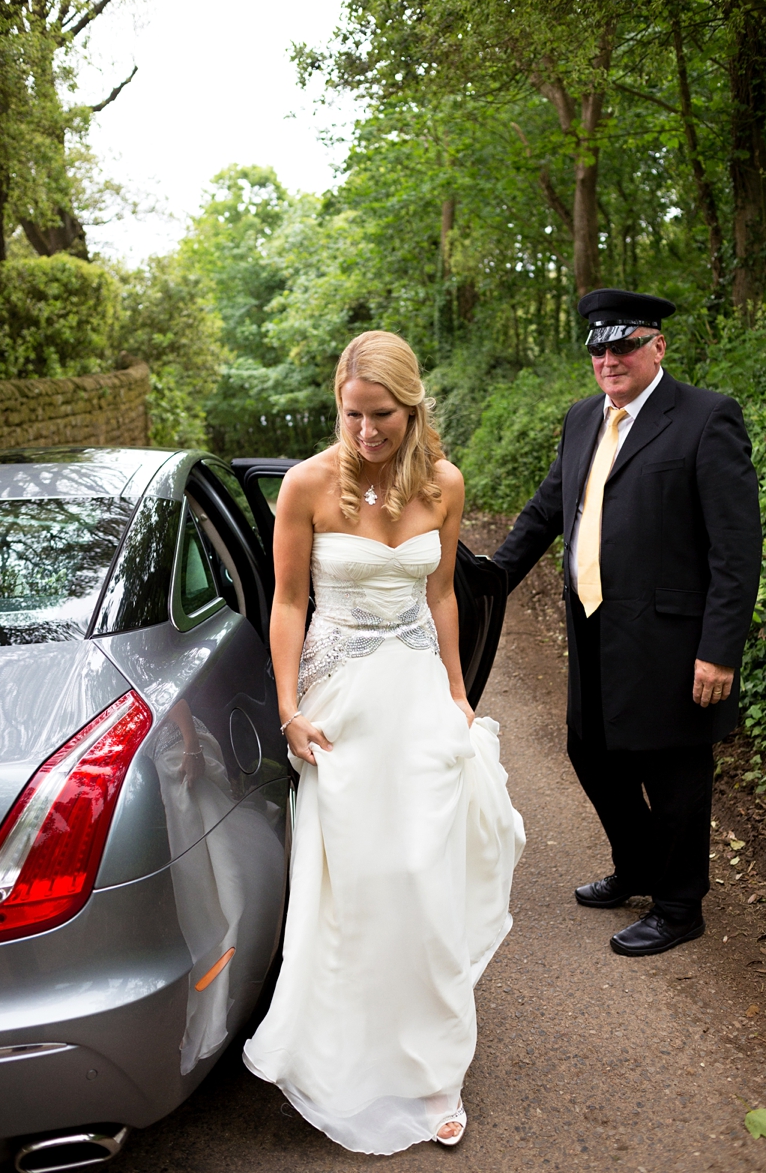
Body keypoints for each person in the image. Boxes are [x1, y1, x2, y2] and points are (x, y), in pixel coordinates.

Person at [243, 330, 525, 1154]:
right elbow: (288, 602)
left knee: (423, 872)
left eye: (384, 417)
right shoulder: (306, 486)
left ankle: (433, 1066)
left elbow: (440, 595)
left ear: (413, 408)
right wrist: (290, 707)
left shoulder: (444, 485)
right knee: (360, 882)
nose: (367, 433)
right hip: (340, 706)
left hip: (415, 696)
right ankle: (345, 1055)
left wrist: (456, 690)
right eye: (353, 415)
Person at [493, 289, 761, 957]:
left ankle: (678, 907)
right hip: (592, 622)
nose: (609, 359)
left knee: (672, 770)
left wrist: (719, 650)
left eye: (624, 346)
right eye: (599, 348)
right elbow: (549, 507)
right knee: (592, 750)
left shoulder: (706, 418)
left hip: (673, 634)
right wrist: (492, 577)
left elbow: (736, 547)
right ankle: (640, 866)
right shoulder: (584, 418)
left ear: (657, 346)